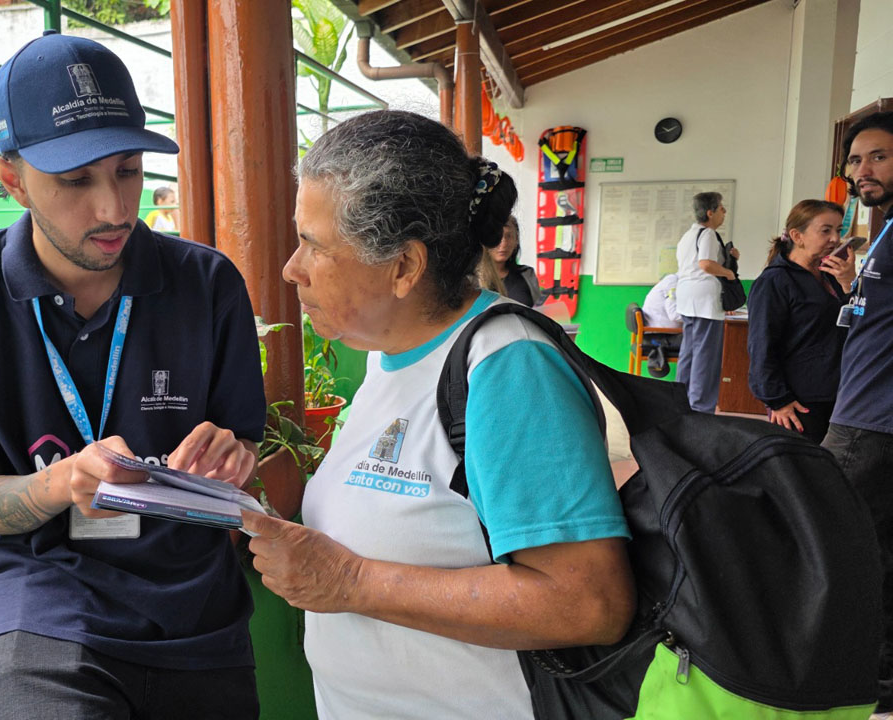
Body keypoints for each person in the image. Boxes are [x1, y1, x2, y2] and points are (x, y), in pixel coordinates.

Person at [0, 31, 265, 719]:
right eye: (75, 180)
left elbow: (244, 445)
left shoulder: (208, 283)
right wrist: (67, 481)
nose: (115, 209)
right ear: (11, 179)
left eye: (128, 170)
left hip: (197, 612)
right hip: (39, 605)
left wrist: (232, 457)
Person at [242, 110, 633, 719]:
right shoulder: (388, 355)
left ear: (403, 266)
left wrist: (350, 582)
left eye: (314, 245)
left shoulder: (506, 366)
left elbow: (588, 603)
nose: (293, 269)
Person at [824, 110, 893, 715]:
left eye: (879, 157)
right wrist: (854, 285)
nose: (862, 169)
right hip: (861, 411)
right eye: (855, 159)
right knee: (875, 548)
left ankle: (843, 672)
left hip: (871, 422)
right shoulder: (885, 229)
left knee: (828, 537)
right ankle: (877, 675)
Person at [746, 200, 855, 443]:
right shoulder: (775, 281)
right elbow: (761, 346)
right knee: (804, 463)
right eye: (825, 230)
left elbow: (854, 322)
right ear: (797, 236)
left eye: (838, 230)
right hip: (798, 399)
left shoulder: (831, 276)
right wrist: (778, 400)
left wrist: (849, 284)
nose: (835, 239)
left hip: (837, 392)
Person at [675, 191, 738, 413]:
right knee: (706, 356)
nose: (724, 212)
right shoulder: (709, 234)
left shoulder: (688, 235)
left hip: (686, 298)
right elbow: (706, 264)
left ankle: (681, 402)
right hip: (705, 301)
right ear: (710, 213)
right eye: (721, 208)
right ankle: (701, 408)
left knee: (689, 352)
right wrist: (729, 273)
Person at [486, 215, 542, 307]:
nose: (504, 243)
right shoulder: (472, 280)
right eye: (497, 236)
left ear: (516, 241)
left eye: (509, 236)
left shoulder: (527, 274)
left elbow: (539, 310)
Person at [640, 273, 683, 377]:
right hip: (660, 335)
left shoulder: (672, 280)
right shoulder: (673, 283)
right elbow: (674, 315)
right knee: (702, 340)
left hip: (657, 332)